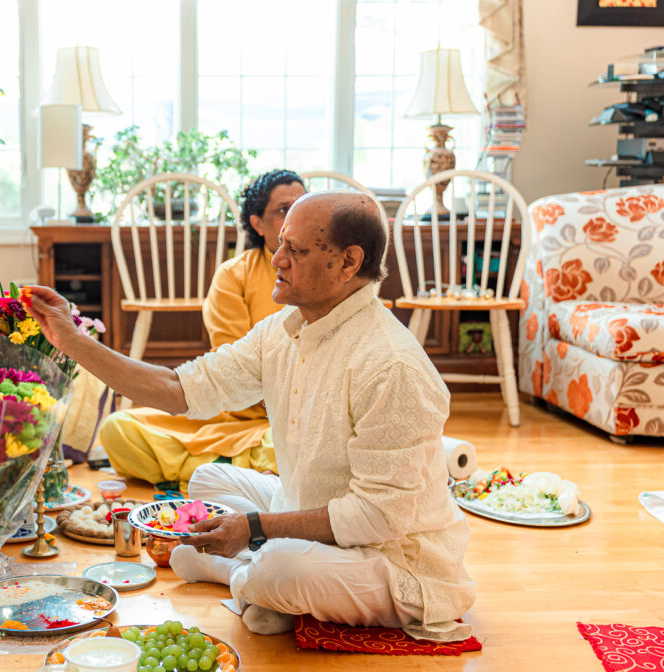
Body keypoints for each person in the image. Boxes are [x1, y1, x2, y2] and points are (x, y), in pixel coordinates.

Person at [24, 191, 474, 640]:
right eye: (280, 243)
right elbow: (180, 390)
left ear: (348, 263)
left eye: (295, 251)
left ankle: (250, 578)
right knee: (205, 481)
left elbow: (376, 518)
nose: (277, 259)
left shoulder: (391, 365)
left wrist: (255, 528)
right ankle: (258, 578)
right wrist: (72, 340)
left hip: (393, 559)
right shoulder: (282, 330)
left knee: (281, 568)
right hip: (308, 515)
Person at [97, 170, 306, 493]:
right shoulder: (234, 275)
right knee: (118, 429)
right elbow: (236, 371)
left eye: (301, 206)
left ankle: (209, 475)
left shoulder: (324, 274)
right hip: (235, 415)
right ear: (258, 224)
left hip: (294, 418)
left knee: (304, 442)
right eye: (283, 211)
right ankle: (242, 475)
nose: (294, 218)